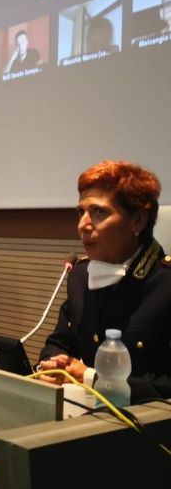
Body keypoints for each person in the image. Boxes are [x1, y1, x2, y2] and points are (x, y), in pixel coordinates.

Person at [39, 161, 171, 403]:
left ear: (138, 222)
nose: (83, 225)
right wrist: (54, 365)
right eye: (81, 212)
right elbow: (58, 343)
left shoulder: (165, 284)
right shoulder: (80, 276)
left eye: (99, 212)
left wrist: (91, 378)